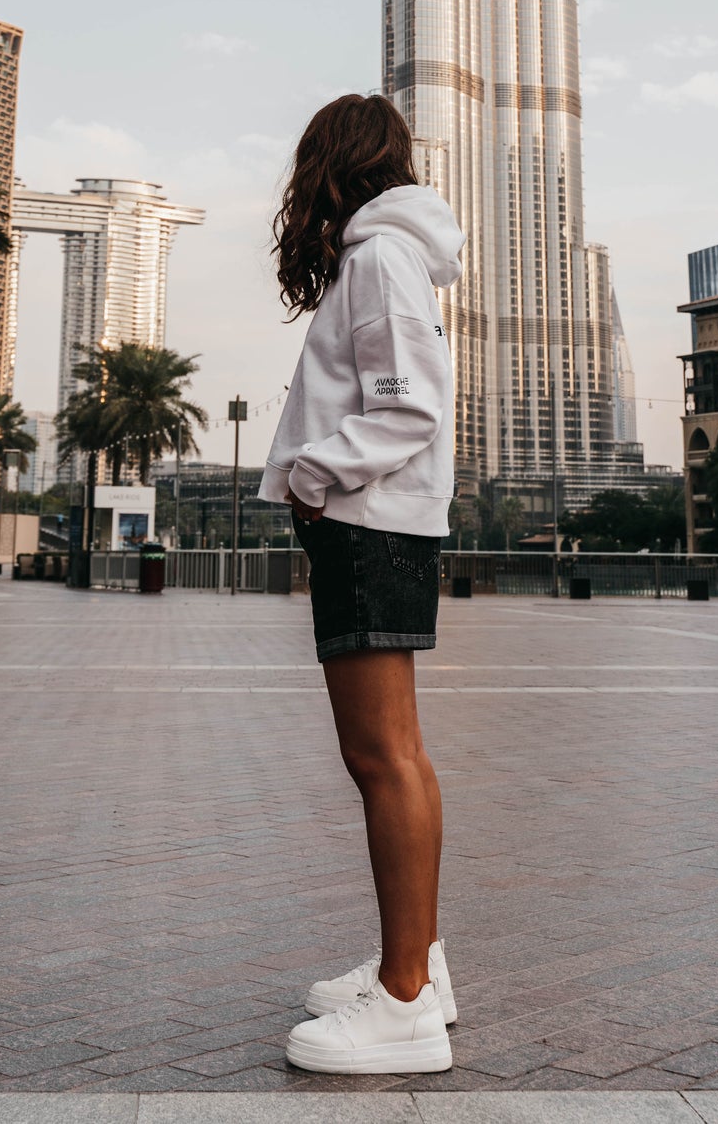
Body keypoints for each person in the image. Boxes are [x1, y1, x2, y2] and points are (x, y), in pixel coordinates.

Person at [262, 92, 462, 1076]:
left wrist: (310, 475)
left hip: (369, 528)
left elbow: (406, 406)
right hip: (376, 527)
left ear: (332, 162)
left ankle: (403, 1007)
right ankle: (415, 967)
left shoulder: (379, 256)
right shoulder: (385, 255)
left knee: (381, 758)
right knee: (394, 757)